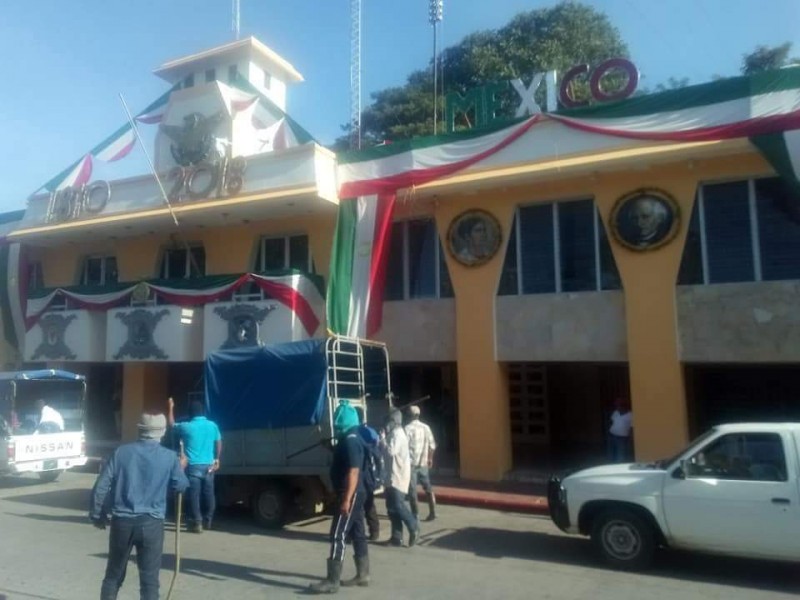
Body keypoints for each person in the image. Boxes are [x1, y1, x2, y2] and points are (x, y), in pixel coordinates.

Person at [89, 412, 189, 600]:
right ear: (162, 432)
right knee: (150, 581)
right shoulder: (169, 457)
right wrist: (180, 467)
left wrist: (97, 514)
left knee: (113, 576)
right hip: (152, 524)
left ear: (139, 430)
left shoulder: (121, 452)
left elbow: (101, 485)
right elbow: (180, 486)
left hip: (122, 523)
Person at [309, 400, 369, 593]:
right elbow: (346, 461)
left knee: (338, 534)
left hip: (350, 493)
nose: (336, 426)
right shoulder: (352, 437)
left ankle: (332, 581)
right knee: (358, 532)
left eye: (338, 423)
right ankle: (363, 574)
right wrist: (331, 448)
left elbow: (353, 471)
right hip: (357, 493)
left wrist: (346, 499)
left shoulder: (351, 440)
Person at [167, 397, 222, 533]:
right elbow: (219, 442)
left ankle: (197, 522)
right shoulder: (212, 425)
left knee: (194, 495)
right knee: (209, 494)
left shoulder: (186, 426)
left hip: (193, 467)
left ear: (190, 413)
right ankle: (208, 520)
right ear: (203, 412)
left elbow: (171, 424)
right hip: (209, 465)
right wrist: (217, 458)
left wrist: (171, 406)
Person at [382, 409, 419, 547]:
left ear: (394, 421)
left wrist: (382, 440)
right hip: (390, 476)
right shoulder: (392, 433)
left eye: (388, 421)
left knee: (398, 505)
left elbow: (391, 451)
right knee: (391, 508)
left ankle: (413, 526)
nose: (386, 423)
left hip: (398, 477)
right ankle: (396, 537)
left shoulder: (397, 434)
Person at [405, 405, 437, 522]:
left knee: (412, 490)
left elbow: (404, 448)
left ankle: (415, 515)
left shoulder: (407, 429)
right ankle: (433, 512)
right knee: (428, 488)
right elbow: (432, 445)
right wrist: (430, 458)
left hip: (411, 464)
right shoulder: (426, 427)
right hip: (423, 463)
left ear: (410, 415)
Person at [607, 398, 633, 463]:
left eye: (618, 406)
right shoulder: (616, 412)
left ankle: (618, 467)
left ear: (624, 406)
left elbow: (632, 428)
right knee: (611, 453)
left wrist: (630, 439)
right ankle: (611, 465)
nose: (617, 408)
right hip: (612, 435)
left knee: (621, 455)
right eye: (616, 406)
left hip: (622, 438)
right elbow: (612, 421)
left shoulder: (631, 415)